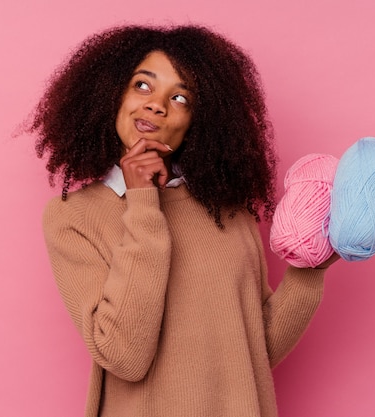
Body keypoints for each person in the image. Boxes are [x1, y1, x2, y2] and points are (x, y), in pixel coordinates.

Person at [29, 24, 339, 417]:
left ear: (197, 121)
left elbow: (252, 355)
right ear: (111, 94)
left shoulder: (227, 211)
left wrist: (310, 267)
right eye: (143, 85)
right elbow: (124, 357)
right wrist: (143, 203)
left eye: (179, 97)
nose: (157, 105)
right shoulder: (72, 216)